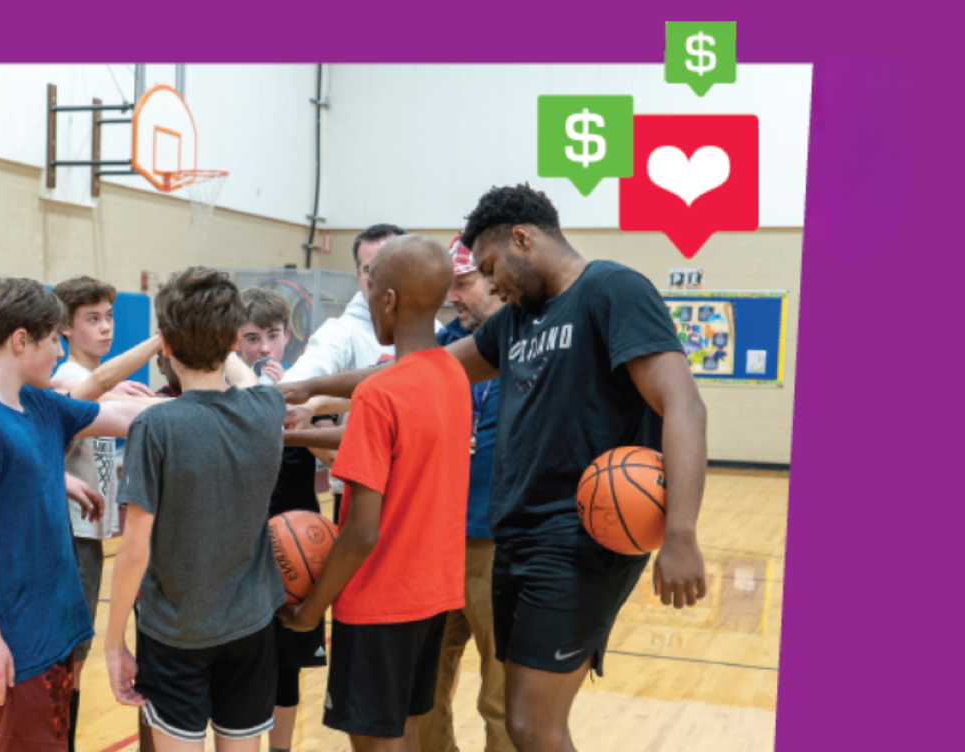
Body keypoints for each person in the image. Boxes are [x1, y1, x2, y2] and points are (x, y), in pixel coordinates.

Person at [279, 184, 709, 752]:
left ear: (523, 239)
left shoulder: (612, 290)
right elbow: (416, 375)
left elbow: (683, 402)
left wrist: (680, 533)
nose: (491, 283)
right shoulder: (515, 323)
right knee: (519, 721)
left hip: (579, 542)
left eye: (489, 265)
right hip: (518, 539)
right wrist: (308, 390)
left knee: (530, 725)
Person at [0, 277, 151, 752]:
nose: (58, 350)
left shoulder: (38, 403)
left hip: (55, 627)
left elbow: (129, 418)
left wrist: (218, 407)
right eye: (53, 338)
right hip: (13, 640)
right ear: (20, 340)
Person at [280, 235, 470, 752]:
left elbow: (361, 532)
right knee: (406, 733)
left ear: (386, 301)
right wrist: (300, 415)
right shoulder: (453, 375)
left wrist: (309, 610)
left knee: (375, 745)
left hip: (379, 602)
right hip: (434, 595)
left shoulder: (378, 395)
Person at [104, 267, 286, 752]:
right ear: (232, 340)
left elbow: (134, 550)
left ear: (164, 344)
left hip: (175, 632)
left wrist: (114, 641)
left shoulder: (157, 425)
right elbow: (246, 379)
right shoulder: (268, 408)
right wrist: (225, 346)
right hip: (251, 625)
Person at [50, 275, 164, 751]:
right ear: (64, 328)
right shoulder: (66, 376)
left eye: (110, 317)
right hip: (69, 533)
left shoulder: (105, 382)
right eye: (92, 319)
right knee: (67, 661)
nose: (104, 328)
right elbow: (94, 392)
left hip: (91, 532)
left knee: (75, 659)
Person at [419, 235, 512, 752]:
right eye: (447, 287)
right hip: (434, 542)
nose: (452, 298)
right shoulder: (437, 349)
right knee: (424, 689)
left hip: (498, 546)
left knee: (500, 697)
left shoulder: (529, 344)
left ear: (496, 282)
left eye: (463, 285)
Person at [237, 287, 328, 752]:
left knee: (288, 666)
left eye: (272, 335)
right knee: (242, 666)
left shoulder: (303, 390)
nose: (264, 348)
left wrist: (297, 413)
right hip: (240, 551)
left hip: (298, 546)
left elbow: (328, 455)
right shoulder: (225, 395)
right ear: (235, 341)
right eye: (252, 338)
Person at [282, 223, 405, 523]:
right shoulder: (341, 332)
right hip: (360, 493)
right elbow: (295, 384)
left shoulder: (438, 334)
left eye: (392, 266)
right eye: (371, 269)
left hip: (418, 491)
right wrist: (305, 403)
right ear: (359, 275)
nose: (381, 279)